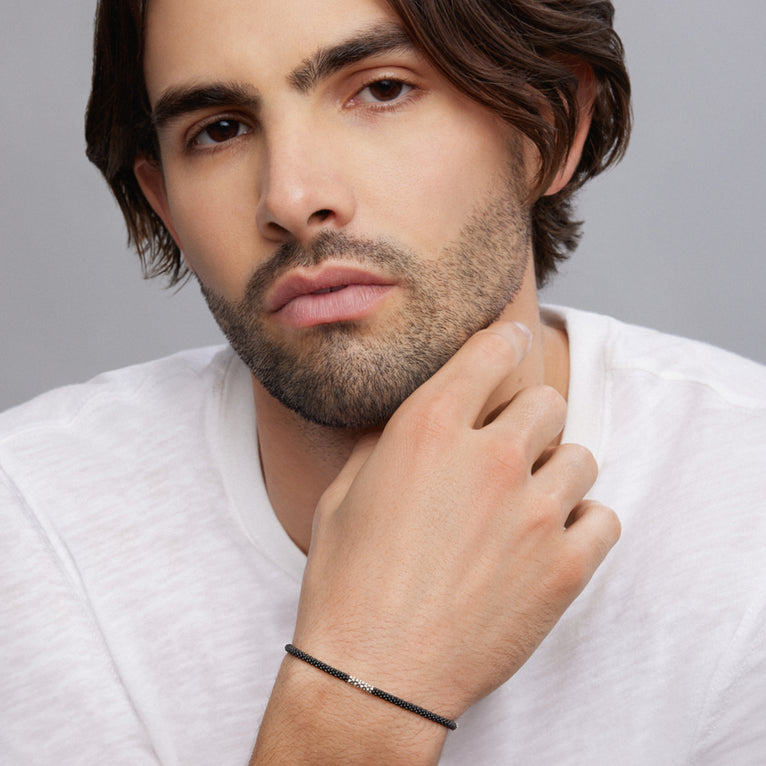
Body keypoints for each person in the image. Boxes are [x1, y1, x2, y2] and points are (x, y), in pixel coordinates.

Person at [1, 0, 764, 763]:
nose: (293, 199)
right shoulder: (30, 532)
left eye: (383, 89)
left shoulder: (744, 510)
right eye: (220, 130)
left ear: (550, 123)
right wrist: (361, 691)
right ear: (165, 203)